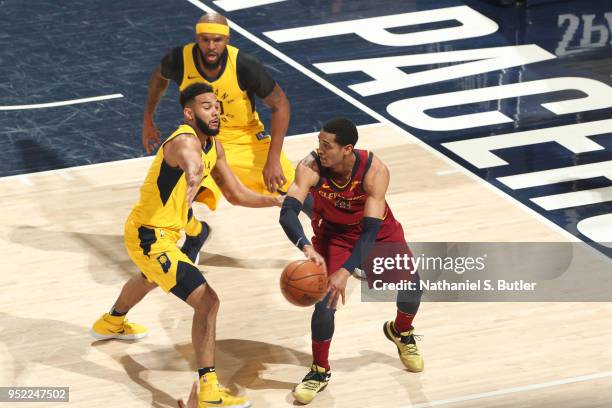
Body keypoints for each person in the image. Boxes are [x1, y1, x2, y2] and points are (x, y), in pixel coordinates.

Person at [92, 83, 281, 408]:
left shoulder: (214, 146)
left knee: (151, 277)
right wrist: (194, 174)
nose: (216, 112)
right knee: (208, 303)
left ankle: (111, 321)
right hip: (149, 235)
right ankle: (208, 391)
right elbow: (191, 160)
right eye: (207, 106)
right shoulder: (183, 142)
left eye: (217, 106)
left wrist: (276, 200)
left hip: (163, 234)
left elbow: (236, 194)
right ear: (189, 113)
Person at [142, 12, 309, 264]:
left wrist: (273, 157)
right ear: (197, 38)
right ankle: (196, 234)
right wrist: (148, 119)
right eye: (205, 40)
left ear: (227, 39)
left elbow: (281, 104)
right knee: (175, 188)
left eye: (217, 40)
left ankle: (341, 241)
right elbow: (158, 78)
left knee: (298, 191)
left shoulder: (244, 65)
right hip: (201, 138)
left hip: (245, 138)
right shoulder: (179, 59)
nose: (211, 47)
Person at [278, 118, 424, 404]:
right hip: (333, 233)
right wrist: (306, 246)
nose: (319, 150)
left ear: (347, 149)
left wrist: (346, 270)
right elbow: (287, 213)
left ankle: (401, 331)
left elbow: (369, 231)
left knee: (412, 286)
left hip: (377, 230)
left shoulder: (374, 171)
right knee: (325, 302)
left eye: (326, 145)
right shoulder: (309, 167)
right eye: (319, 142)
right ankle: (319, 371)